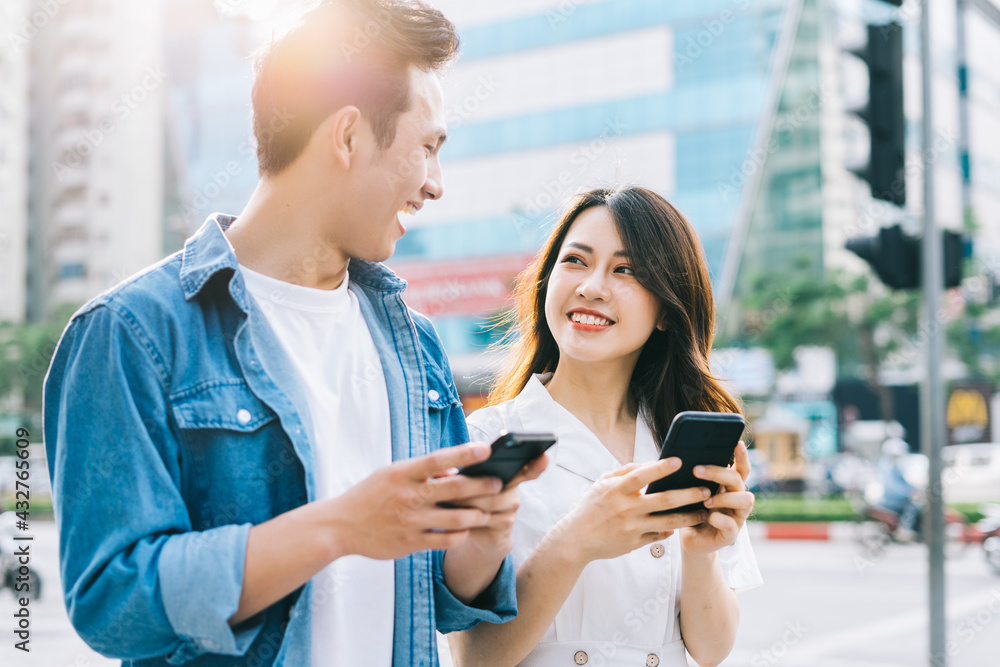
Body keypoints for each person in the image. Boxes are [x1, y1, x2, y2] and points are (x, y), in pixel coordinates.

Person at [42, 2, 545, 666]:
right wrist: (338, 527)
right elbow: (114, 603)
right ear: (346, 137)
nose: (436, 184)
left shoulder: (414, 344)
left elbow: (445, 601)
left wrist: (482, 536)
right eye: (427, 146)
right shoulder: (131, 333)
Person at [448, 186, 763, 667]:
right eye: (575, 260)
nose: (592, 286)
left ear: (666, 310)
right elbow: (473, 656)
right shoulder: (486, 442)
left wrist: (700, 553)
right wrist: (576, 541)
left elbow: (711, 649)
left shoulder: (679, 444)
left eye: (626, 270)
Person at [877, 437, 921, 540]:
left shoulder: (894, 466)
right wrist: (908, 493)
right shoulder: (886, 467)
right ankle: (904, 528)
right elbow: (892, 488)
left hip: (895, 497)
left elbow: (904, 483)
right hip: (890, 500)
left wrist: (916, 489)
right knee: (912, 505)